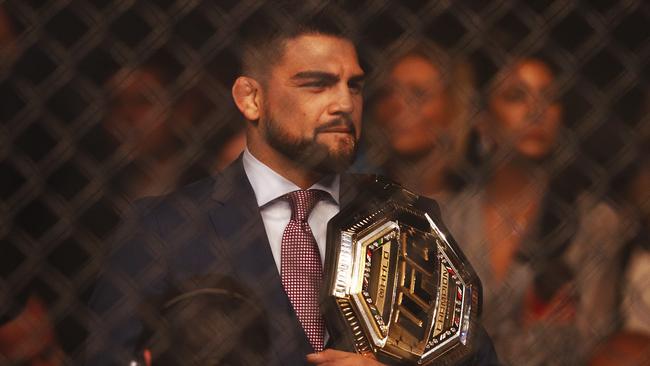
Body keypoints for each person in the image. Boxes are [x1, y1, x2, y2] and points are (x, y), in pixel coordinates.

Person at [87, 13, 497, 366]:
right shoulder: (161, 227)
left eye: (353, 86)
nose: (343, 104)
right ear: (251, 99)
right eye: (317, 85)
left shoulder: (407, 217)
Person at [445, 55, 628, 365]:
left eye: (550, 98)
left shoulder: (595, 222)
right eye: (516, 96)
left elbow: (592, 345)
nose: (536, 111)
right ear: (483, 120)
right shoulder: (450, 217)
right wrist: (538, 328)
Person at [365, 39, 474, 204]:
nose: (397, 104)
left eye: (418, 93)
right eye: (386, 93)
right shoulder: (352, 199)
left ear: (453, 108)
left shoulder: (476, 209)